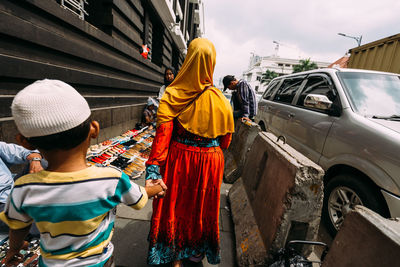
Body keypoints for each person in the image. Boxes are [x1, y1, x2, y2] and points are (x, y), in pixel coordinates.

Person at [0, 79, 166, 267]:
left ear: (25, 142)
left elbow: (18, 226)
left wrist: (14, 248)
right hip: (99, 262)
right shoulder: (112, 179)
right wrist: (155, 188)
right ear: (94, 129)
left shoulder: (23, 188)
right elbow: (139, 198)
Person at [145, 38, 234, 266]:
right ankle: (195, 253)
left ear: (188, 61)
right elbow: (225, 142)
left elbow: (162, 140)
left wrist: (153, 172)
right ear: (211, 63)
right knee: (202, 206)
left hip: (180, 159)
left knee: (176, 205)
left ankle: (173, 255)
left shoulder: (173, 95)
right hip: (211, 162)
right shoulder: (222, 101)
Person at [0, 142, 43, 232]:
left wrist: (35, 160)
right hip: (3, 202)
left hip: (13, 187)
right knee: (32, 223)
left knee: (45, 160)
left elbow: (26, 152)